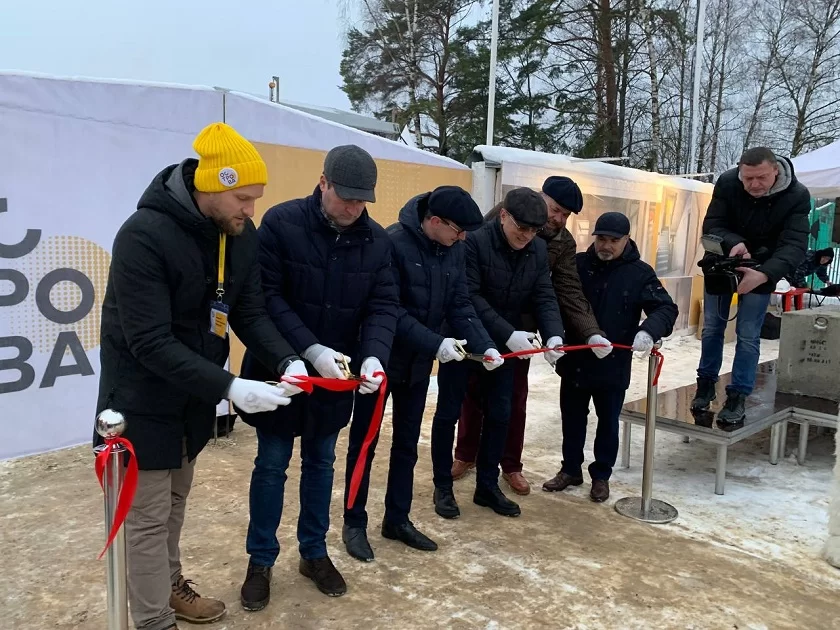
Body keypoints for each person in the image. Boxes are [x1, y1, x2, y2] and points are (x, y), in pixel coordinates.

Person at [94, 122, 306, 630]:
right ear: (211, 185)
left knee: (174, 503)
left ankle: (168, 587)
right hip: (140, 403)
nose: (250, 211)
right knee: (146, 519)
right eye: (242, 198)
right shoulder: (143, 235)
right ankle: (152, 621)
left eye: (255, 199)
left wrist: (288, 360)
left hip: (192, 399)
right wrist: (231, 387)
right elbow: (148, 341)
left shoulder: (238, 235)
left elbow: (249, 312)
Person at [236, 144, 399, 609]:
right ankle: (260, 560)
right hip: (281, 373)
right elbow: (267, 298)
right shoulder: (281, 223)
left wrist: (373, 357)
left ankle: (314, 551)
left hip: (335, 382)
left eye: (362, 200)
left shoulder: (376, 241)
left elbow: (383, 305)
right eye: (345, 196)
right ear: (323, 182)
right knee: (271, 466)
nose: (353, 208)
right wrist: (309, 351)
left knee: (321, 465)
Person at [341, 186, 503, 562]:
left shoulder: (454, 249)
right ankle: (354, 522)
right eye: (457, 230)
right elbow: (390, 311)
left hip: (417, 366)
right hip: (379, 360)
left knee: (407, 444)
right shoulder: (391, 243)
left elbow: (460, 303)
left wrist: (485, 345)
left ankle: (397, 519)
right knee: (364, 443)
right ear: (435, 221)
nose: (462, 238)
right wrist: (436, 343)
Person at [452, 177, 608, 495]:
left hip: (521, 328)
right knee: (473, 393)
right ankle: (466, 454)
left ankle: (511, 465)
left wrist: (574, 333)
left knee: (515, 399)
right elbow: (471, 280)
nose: (558, 219)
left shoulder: (561, 243)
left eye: (566, 215)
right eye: (555, 209)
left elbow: (561, 290)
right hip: (479, 322)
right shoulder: (498, 219)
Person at [430, 187, 565, 519]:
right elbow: (469, 297)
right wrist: (507, 333)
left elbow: (544, 295)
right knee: (449, 413)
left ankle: (487, 486)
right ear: (504, 215)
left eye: (534, 230)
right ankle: (442, 487)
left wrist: (554, 335)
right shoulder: (473, 242)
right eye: (522, 227)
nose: (527, 236)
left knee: (500, 414)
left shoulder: (537, 249)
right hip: (463, 343)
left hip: (505, 351)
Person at [542, 212, 678, 501]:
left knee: (608, 422)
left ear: (627, 239)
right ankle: (570, 469)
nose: (606, 246)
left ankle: (601, 475)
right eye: (601, 239)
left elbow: (666, 308)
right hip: (575, 362)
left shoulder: (640, 273)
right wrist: (553, 336)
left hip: (613, 365)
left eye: (614, 241)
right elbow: (555, 301)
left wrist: (648, 331)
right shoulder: (577, 264)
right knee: (572, 419)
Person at [693, 147, 810, 424]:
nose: (754, 184)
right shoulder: (727, 182)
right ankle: (705, 384)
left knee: (747, 335)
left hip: (762, 270)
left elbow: (794, 246)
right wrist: (734, 243)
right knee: (711, 329)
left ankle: (738, 395)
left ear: (775, 171)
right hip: (722, 264)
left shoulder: (797, 195)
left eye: (761, 178)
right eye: (748, 179)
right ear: (739, 172)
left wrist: (765, 274)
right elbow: (713, 224)